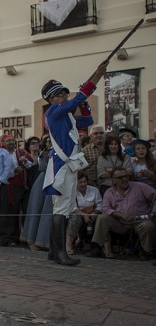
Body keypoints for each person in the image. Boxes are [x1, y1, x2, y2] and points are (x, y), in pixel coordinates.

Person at [41, 61, 108, 266]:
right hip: (63, 165)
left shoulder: (66, 116)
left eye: (64, 93)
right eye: (59, 94)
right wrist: (96, 75)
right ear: (51, 99)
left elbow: (87, 121)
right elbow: (79, 96)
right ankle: (60, 253)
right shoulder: (53, 111)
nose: (63, 96)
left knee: (63, 208)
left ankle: (54, 251)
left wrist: (83, 105)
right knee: (61, 209)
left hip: (68, 166)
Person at [91, 167, 156, 259]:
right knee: (102, 217)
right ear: (114, 180)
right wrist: (119, 214)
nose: (124, 179)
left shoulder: (139, 186)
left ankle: (145, 251)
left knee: (149, 225)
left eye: (126, 176)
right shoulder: (109, 192)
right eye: (120, 177)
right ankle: (97, 246)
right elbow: (105, 208)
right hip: (120, 223)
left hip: (139, 221)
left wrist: (154, 212)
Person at [65, 173, 102, 256]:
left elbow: (100, 205)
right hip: (78, 214)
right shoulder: (72, 191)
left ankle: (97, 246)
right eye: (80, 182)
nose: (83, 184)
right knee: (75, 219)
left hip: (93, 214)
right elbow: (72, 207)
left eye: (85, 181)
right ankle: (68, 245)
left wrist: (94, 213)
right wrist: (84, 215)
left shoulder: (94, 190)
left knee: (100, 219)